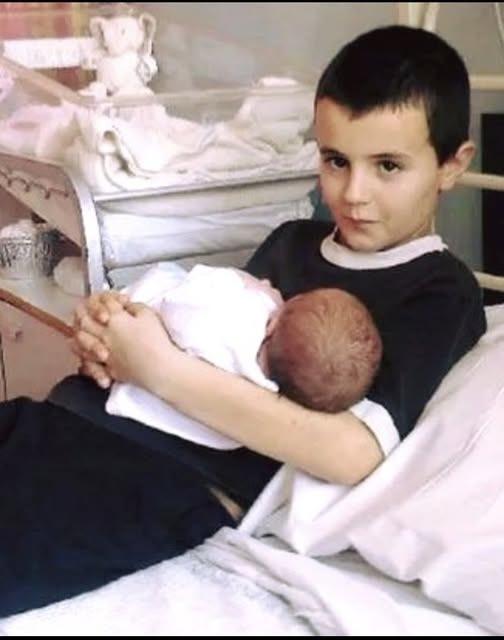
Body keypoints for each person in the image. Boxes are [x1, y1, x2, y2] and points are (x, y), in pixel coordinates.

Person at [0, 24, 486, 618]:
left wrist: (154, 367)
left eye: (388, 166)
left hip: (161, 477)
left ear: (452, 165)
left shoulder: (439, 290)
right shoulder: (291, 241)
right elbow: (204, 331)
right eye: (336, 160)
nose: (354, 192)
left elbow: (352, 451)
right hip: (67, 416)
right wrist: (111, 332)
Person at [106, 263, 383, 450]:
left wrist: (244, 283)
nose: (276, 292)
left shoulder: (243, 318)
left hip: (131, 331)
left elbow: (180, 306)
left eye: (286, 301)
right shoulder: (265, 395)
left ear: (272, 324)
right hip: (162, 428)